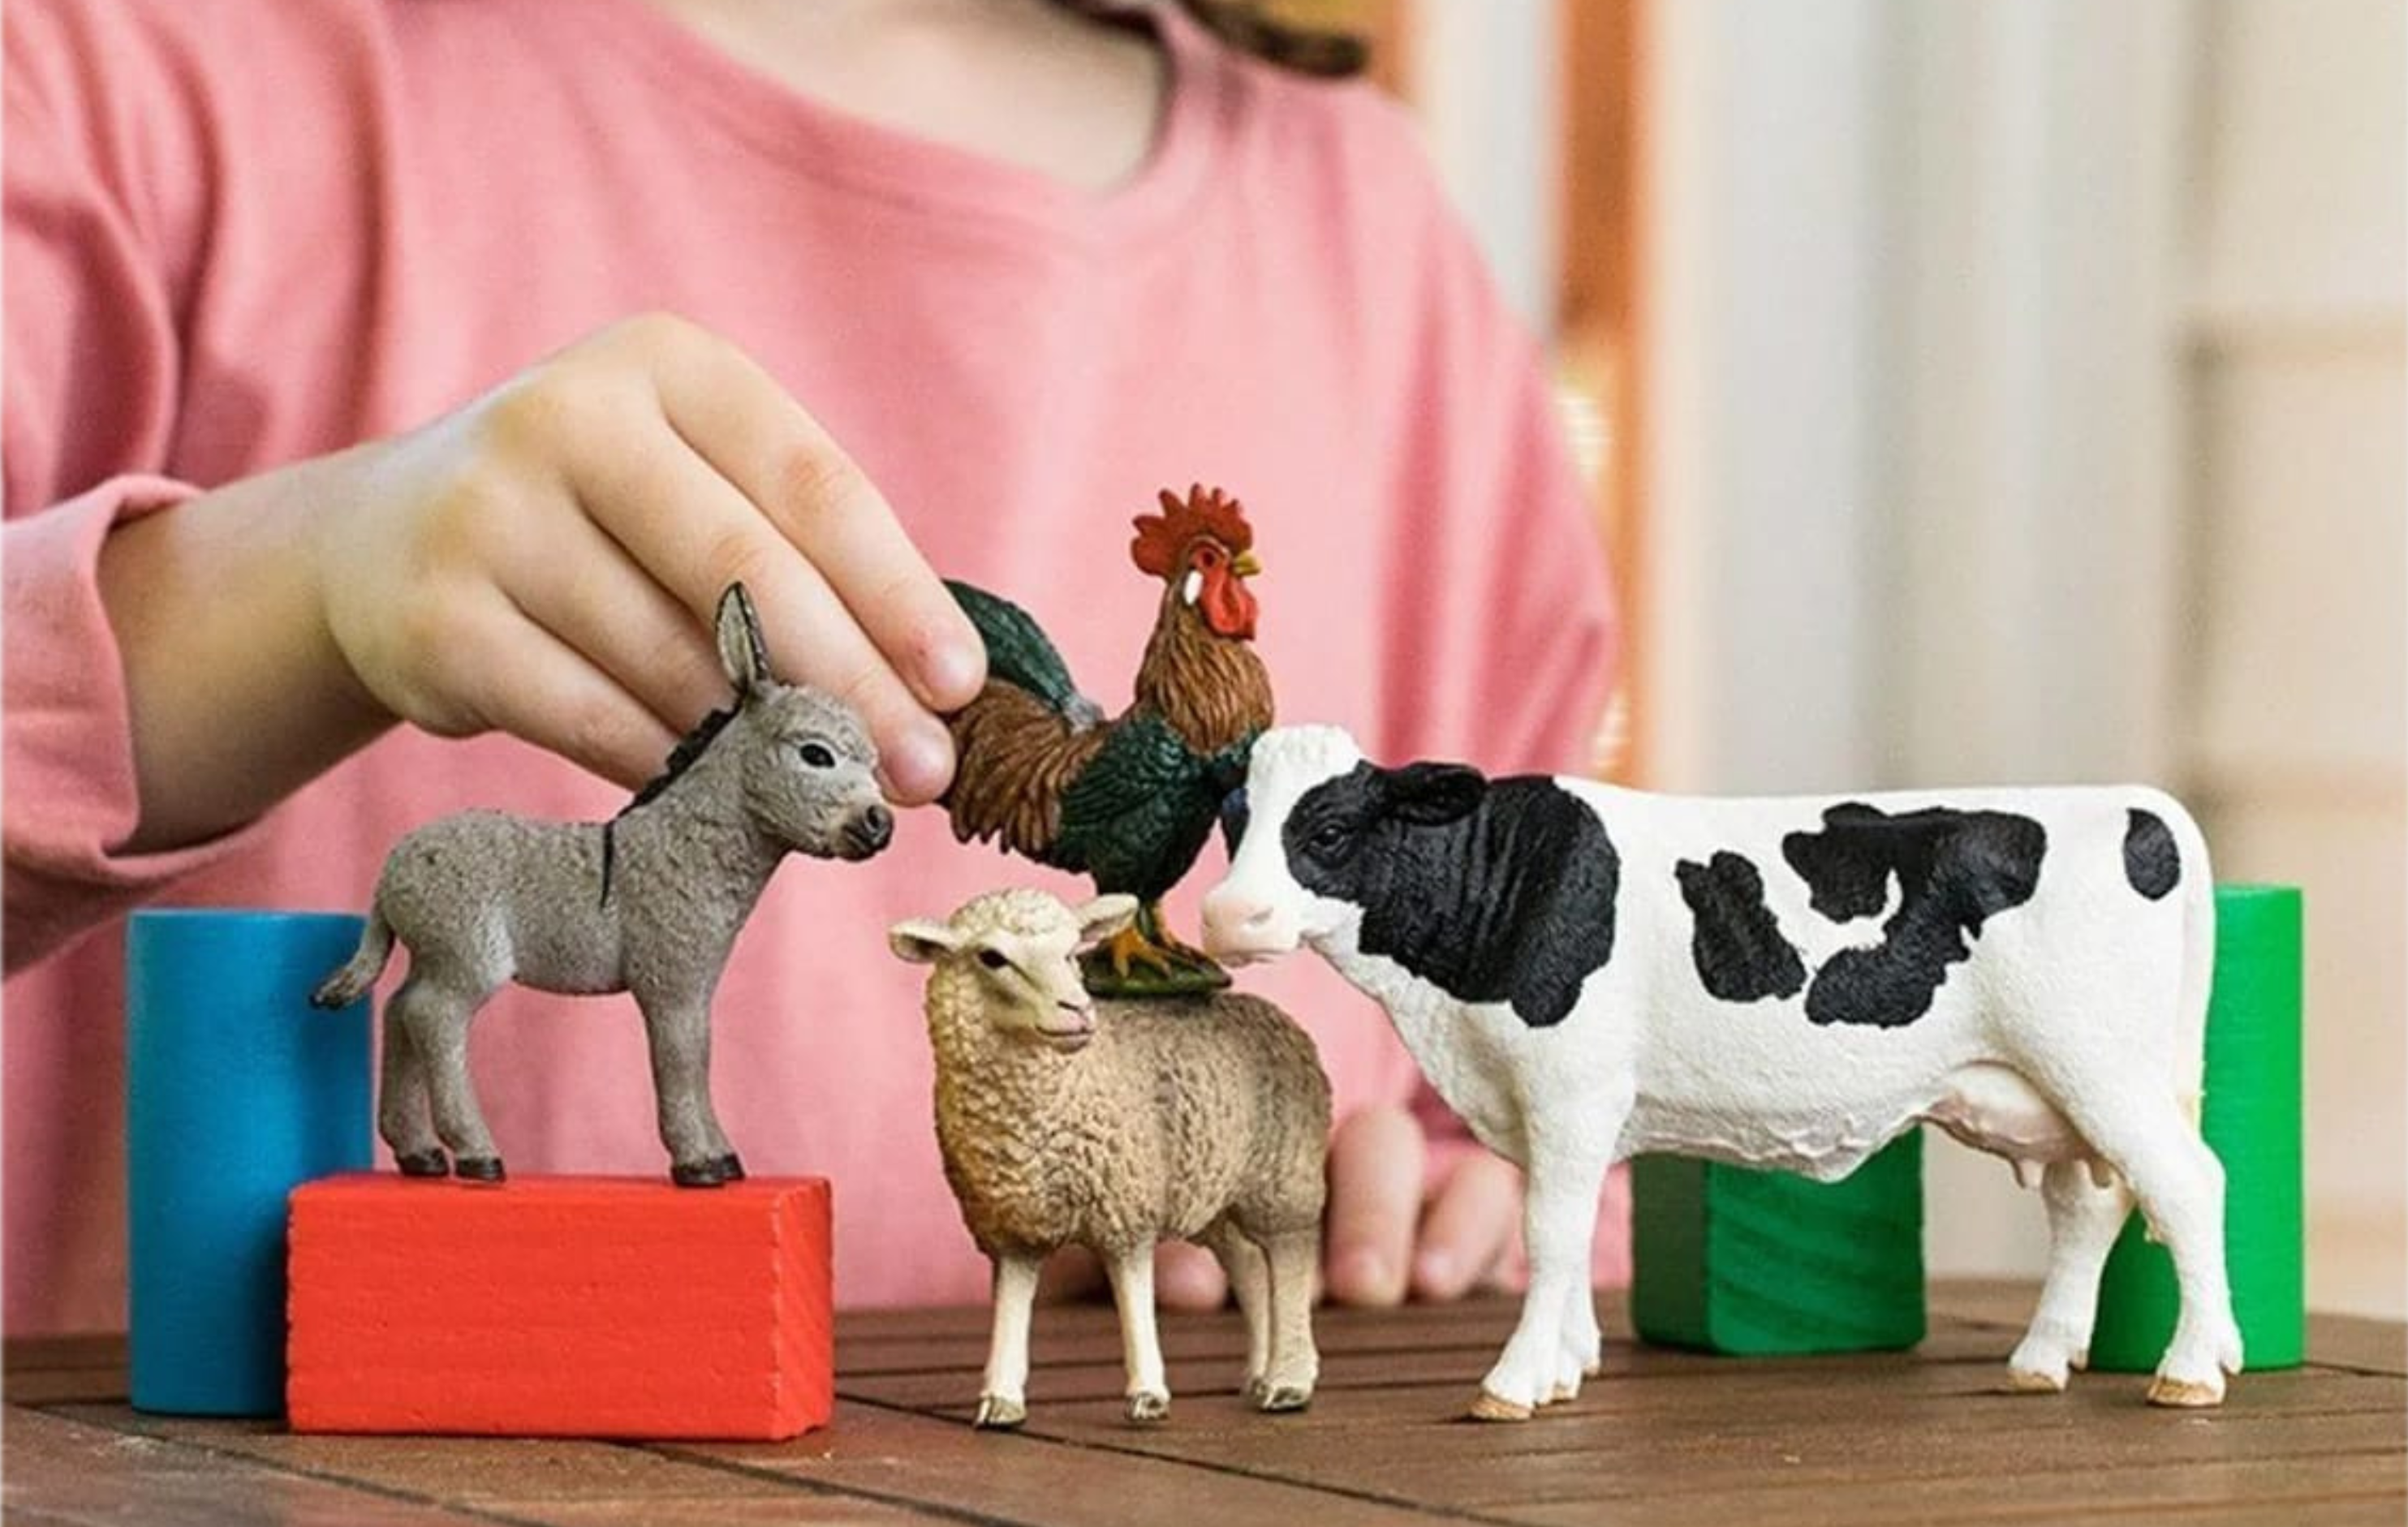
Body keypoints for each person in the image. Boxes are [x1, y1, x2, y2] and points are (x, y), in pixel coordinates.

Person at [2, 0, 1625, 1334]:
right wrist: (305, 580)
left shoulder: (1359, 217)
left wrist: (1452, 1190)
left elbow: (1544, 1030)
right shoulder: (138, 71)